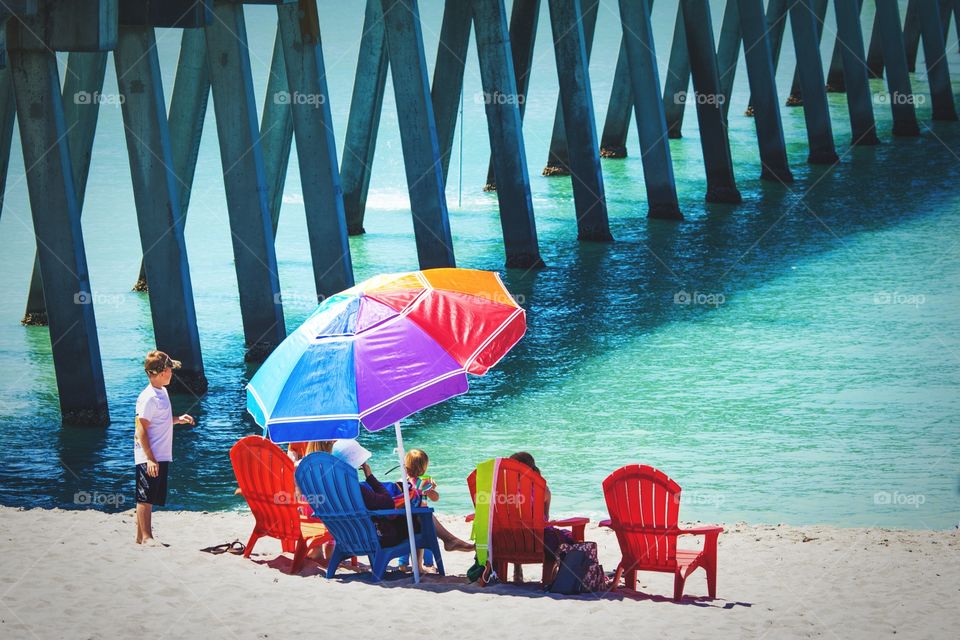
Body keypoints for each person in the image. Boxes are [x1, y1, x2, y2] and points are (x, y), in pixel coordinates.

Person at [134, 350, 195, 546]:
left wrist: (178, 419)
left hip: (160, 453)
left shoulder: (162, 392)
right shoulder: (148, 397)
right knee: (145, 496)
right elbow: (140, 429)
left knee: (151, 495)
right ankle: (146, 537)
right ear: (161, 372)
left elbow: (159, 421)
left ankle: (139, 538)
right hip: (149, 454)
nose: (172, 373)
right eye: (170, 369)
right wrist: (150, 457)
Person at [508, 451, 574, 582]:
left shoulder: (503, 489)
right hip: (538, 543)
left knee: (517, 530)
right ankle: (554, 575)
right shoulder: (543, 489)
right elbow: (545, 518)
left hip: (506, 541)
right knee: (570, 538)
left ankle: (517, 566)